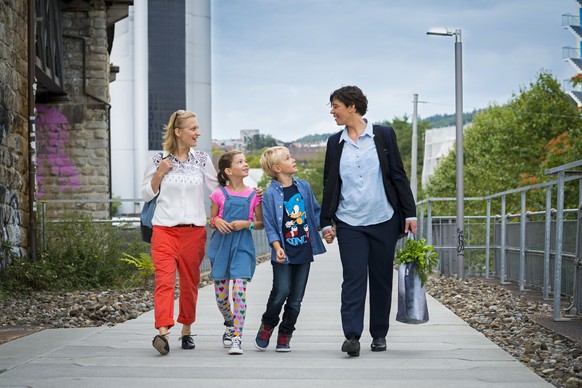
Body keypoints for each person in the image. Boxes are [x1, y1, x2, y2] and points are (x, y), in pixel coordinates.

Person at [320, 86, 417, 357]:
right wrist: (325, 220)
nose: (332, 111)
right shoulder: (334, 142)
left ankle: (379, 334)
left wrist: (410, 213)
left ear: (352, 106)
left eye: (335, 106)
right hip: (350, 221)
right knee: (353, 277)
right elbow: (330, 183)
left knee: (381, 278)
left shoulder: (383, 135)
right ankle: (352, 336)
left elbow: (398, 175)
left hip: (383, 218)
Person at [141, 110, 219, 356]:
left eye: (197, 128)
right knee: (163, 281)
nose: (198, 133)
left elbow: (218, 191)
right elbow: (146, 193)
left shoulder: (202, 159)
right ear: (178, 132)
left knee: (189, 283)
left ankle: (186, 330)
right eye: (193, 129)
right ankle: (162, 333)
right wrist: (161, 172)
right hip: (164, 230)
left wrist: (247, 195)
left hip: (194, 232)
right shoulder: (158, 160)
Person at [254, 146, 328, 352]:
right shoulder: (270, 195)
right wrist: (276, 247)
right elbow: (270, 225)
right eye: (288, 158)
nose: (293, 159)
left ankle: (285, 333)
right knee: (281, 291)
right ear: (277, 167)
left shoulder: (303, 187)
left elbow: (315, 213)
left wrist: (328, 228)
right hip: (283, 252)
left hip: (304, 250)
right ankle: (268, 324)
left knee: (296, 299)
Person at [207, 151, 264, 355]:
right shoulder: (218, 194)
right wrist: (218, 221)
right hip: (221, 247)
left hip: (242, 247)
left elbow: (260, 224)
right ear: (229, 171)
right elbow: (211, 219)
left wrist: (246, 224)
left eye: (246, 161)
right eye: (240, 162)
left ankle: (237, 338)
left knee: (238, 291)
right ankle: (229, 323)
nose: (246, 164)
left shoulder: (254, 195)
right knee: (222, 298)